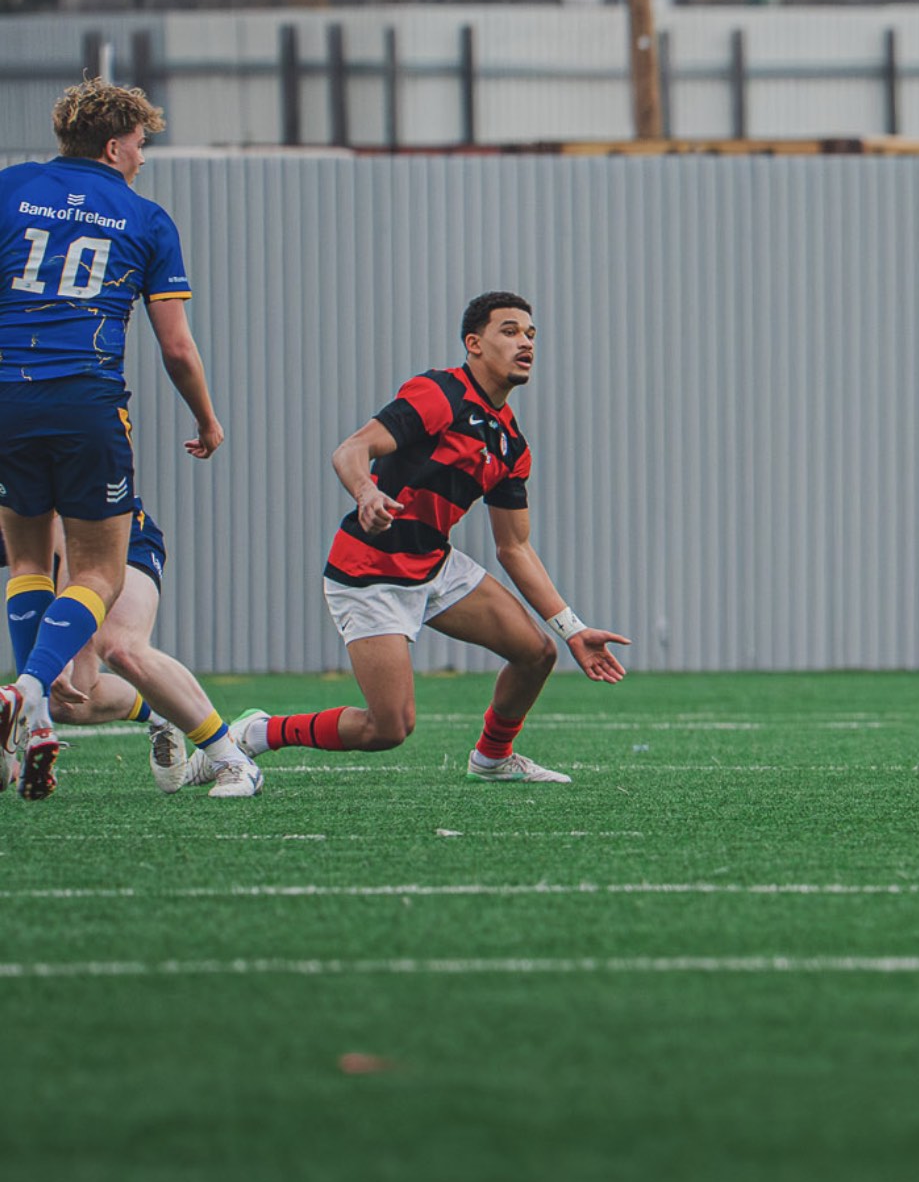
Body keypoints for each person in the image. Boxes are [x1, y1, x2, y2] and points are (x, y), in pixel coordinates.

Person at [234, 295, 626, 782]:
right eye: (509, 331)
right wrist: (366, 493)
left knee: (537, 653)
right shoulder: (439, 394)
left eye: (531, 334)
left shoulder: (510, 444)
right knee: (388, 728)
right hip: (370, 572)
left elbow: (514, 548)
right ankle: (259, 733)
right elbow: (351, 449)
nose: (525, 342)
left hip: (434, 565)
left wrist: (573, 630)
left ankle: (492, 758)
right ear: (474, 344)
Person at [0, 78, 224, 801]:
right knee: (98, 572)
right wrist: (207, 419)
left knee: (28, 557)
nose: (142, 158)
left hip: (5, 394)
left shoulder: (10, 188)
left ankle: (34, 714)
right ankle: (31, 688)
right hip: (84, 398)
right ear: (112, 144)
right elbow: (178, 349)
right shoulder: (144, 217)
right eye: (139, 145)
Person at [40, 503, 266, 799]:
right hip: (58, 560)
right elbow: (27, 567)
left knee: (121, 647)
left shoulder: (30, 465)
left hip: (113, 534)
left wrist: (60, 648)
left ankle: (231, 758)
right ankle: (160, 711)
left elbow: (68, 537)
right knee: (62, 701)